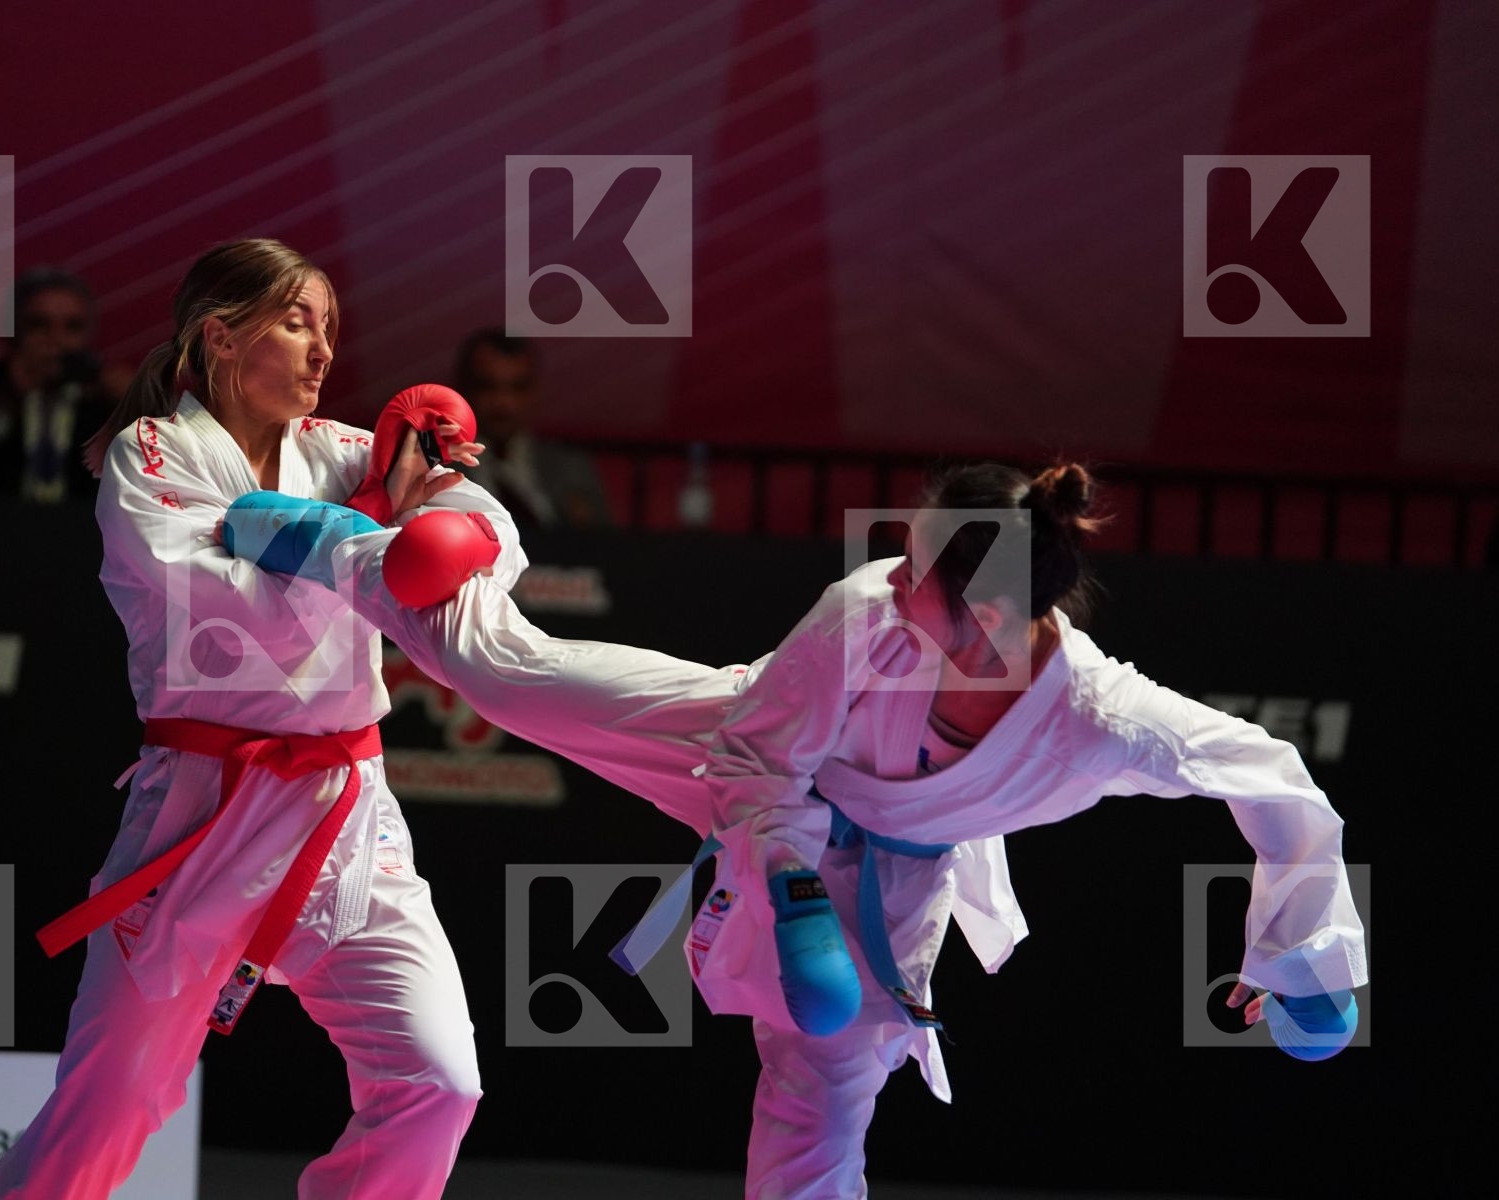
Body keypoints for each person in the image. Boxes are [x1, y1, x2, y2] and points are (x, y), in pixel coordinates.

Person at [219, 459, 1367, 1199]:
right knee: (512, 677)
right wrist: (794, 894)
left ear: (992, 619)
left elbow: (1271, 778)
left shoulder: (1103, 723)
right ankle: (376, 543)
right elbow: (761, 762)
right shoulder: (866, 616)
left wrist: (1305, 963)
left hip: (902, 868)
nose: (892, 574)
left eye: (920, 569)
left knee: (822, 1095)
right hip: (758, 752)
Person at [0, 239, 520, 1200]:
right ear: (221, 338)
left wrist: (449, 524)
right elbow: (229, 617)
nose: (323, 353)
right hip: (196, 826)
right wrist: (371, 548)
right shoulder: (152, 455)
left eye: (330, 330)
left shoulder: (350, 453)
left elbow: (489, 540)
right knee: (102, 1112)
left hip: (347, 818)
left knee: (439, 1080)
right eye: (297, 322)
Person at [0, 268, 124, 503]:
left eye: (72, 327)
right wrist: (11, 395)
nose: (56, 339)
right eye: (40, 325)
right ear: (15, 330)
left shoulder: (104, 399)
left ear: (89, 334)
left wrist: (136, 404)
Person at [447, 328, 613, 529]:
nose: (503, 403)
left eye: (517, 388)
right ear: (463, 388)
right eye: (488, 387)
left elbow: (606, 549)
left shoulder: (571, 469)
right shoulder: (439, 469)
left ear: (534, 392)